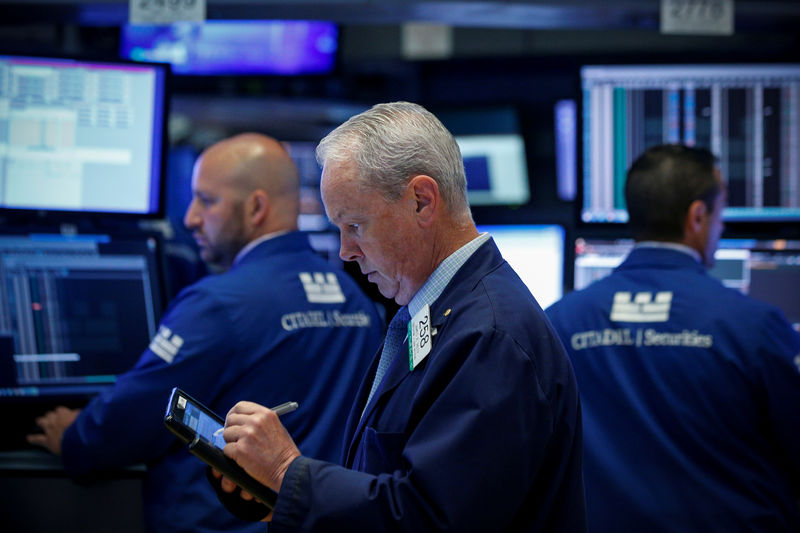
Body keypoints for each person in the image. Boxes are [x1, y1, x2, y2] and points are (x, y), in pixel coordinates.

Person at [212, 102, 586, 532]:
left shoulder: (489, 337)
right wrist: (277, 493)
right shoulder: (439, 315)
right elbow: (387, 481)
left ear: (421, 201)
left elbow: (431, 519)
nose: (345, 252)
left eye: (354, 225)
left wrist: (286, 472)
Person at [27, 133, 384, 533]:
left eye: (207, 201)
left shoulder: (219, 303)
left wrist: (74, 437)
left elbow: (132, 418)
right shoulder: (355, 297)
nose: (190, 218)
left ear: (256, 208)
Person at [546, 144, 800, 532]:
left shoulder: (556, 325)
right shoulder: (755, 326)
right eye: (721, 212)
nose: (722, 226)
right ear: (697, 216)